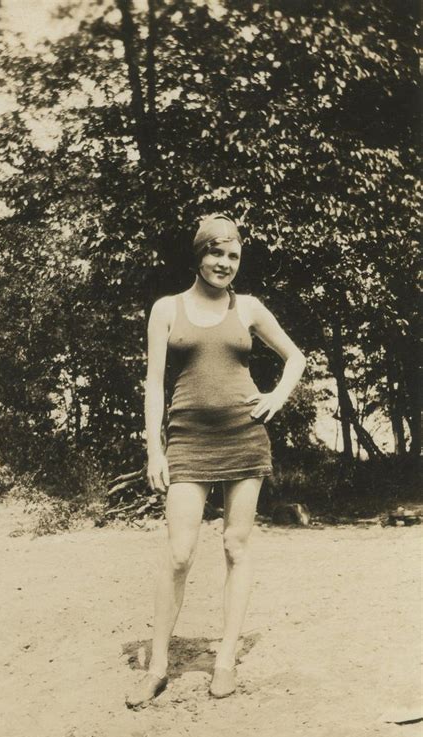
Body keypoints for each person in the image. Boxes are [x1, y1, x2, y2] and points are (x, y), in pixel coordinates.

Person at [126, 214, 306, 708]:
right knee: (180, 553)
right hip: (187, 440)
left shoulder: (247, 307)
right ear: (199, 253)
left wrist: (275, 397)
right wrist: (154, 449)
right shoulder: (167, 309)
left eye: (233, 257)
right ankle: (158, 666)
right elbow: (155, 384)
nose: (224, 263)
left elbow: (296, 357)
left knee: (236, 545)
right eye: (216, 253)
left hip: (244, 439)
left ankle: (225, 658)